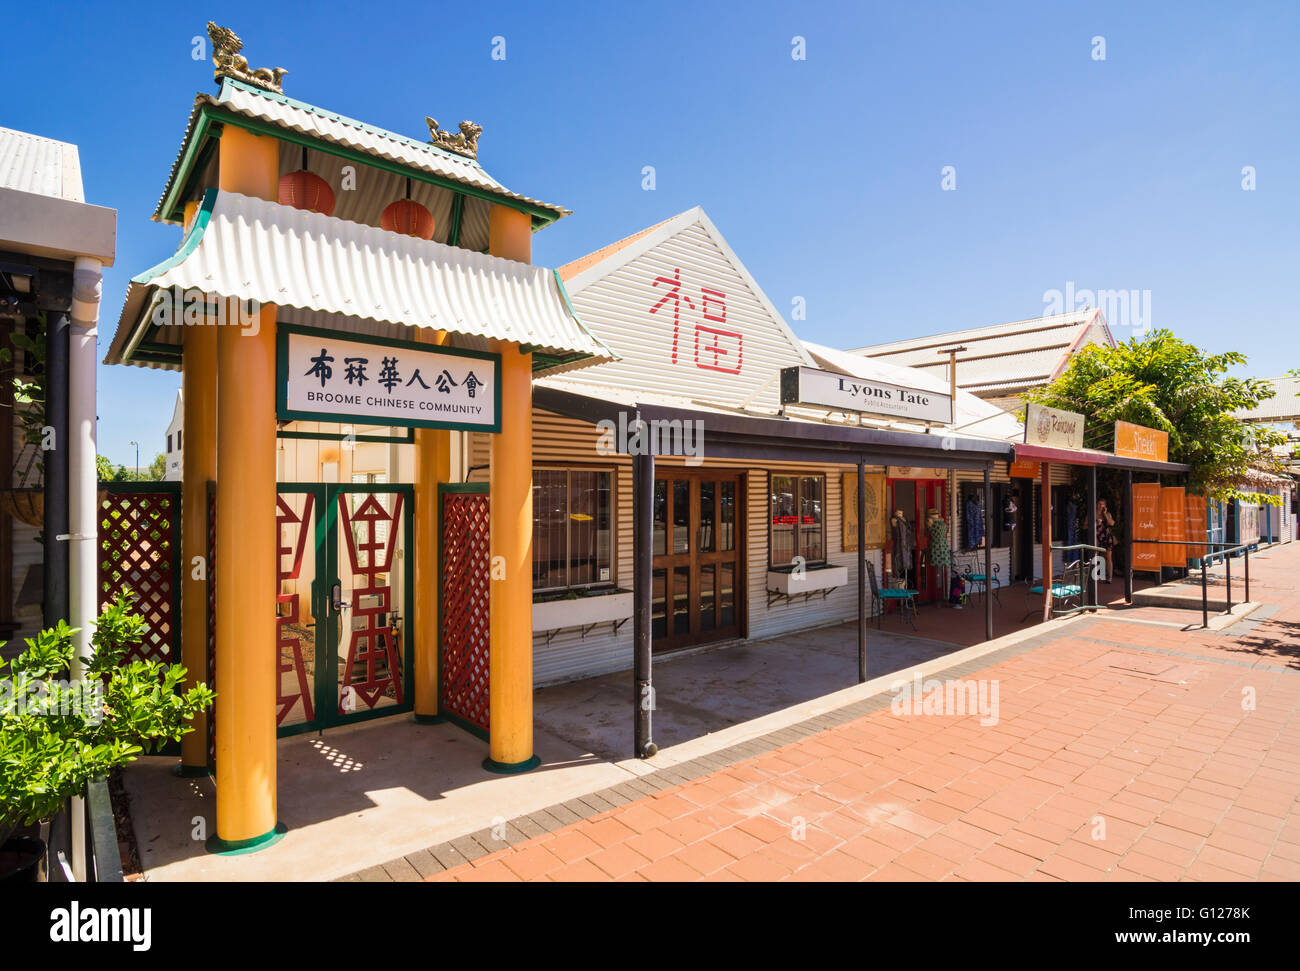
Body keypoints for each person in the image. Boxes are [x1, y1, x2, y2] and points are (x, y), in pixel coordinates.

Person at [1094, 497, 1116, 582]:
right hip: (1096, 536)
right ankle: (1095, 576)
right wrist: (1096, 524)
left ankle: (1109, 578)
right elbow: (1085, 526)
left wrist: (1105, 514)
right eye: (1099, 504)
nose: (1100, 506)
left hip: (1106, 537)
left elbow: (1111, 523)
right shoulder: (1093, 514)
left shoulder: (1107, 514)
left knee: (1108, 557)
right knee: (1095, 556)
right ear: (1096, 505)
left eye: (1102, 504)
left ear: (1105, 506)